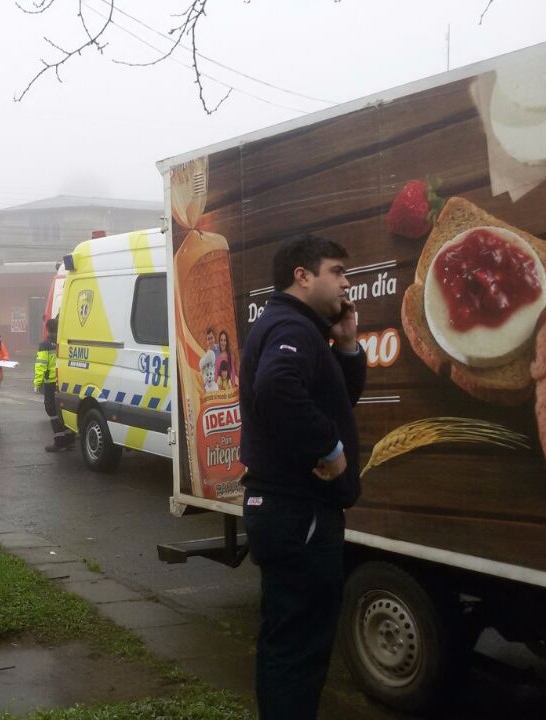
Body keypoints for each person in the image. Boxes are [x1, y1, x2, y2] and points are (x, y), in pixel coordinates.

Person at [238, 234, 365, 720]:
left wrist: (348, 347)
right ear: (303, 276)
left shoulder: (304, 329)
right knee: (299, 647)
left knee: (291, 640)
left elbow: (335, 401)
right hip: (300, 510)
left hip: (292, 510)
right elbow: (278, 388)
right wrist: (328, 449)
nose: (346, 283)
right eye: (337, 271)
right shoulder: (288, 324)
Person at [35, 317, 74, 452]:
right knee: (63, 409)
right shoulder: (64, 343)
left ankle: (60, 441)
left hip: (51, 382)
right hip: (65, 381)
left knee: (51, 410)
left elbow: (41, 365)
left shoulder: (45, 345)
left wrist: (37, 383)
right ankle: (69, 439)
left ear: (47, 329)